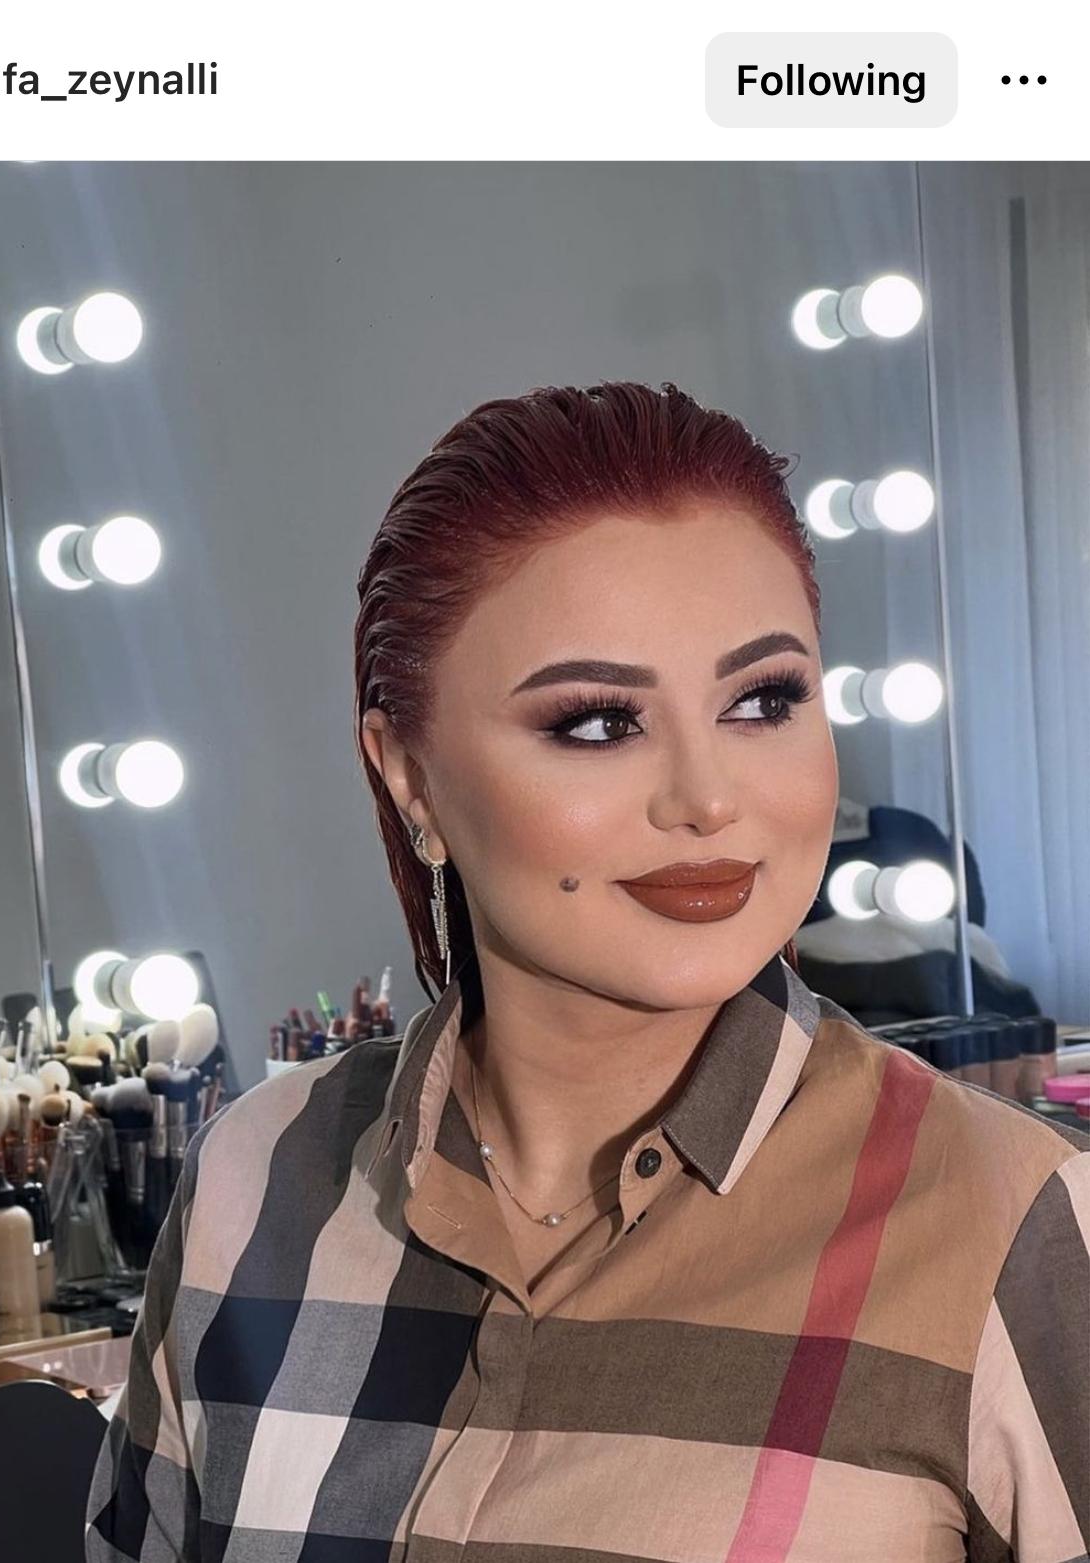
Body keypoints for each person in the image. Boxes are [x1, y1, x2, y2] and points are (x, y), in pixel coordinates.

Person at [86, 381, 1089, 1562]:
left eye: (763, 701)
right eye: (600, 723)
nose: (708, 799)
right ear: (410, 777)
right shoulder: (253, 1182)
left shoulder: (1004, 1219)